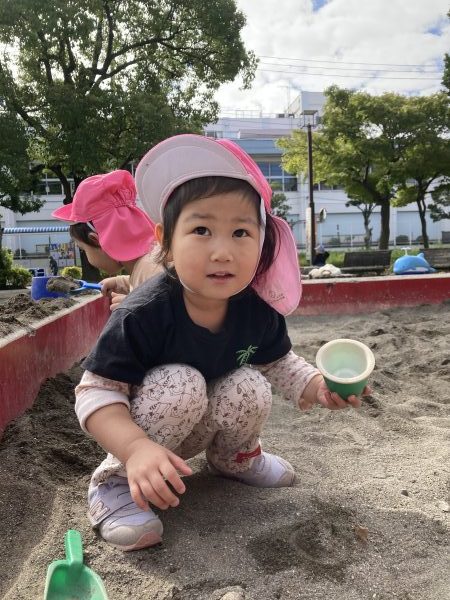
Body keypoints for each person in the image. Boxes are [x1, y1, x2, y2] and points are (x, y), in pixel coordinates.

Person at [75, 134, 369, 552]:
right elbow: (95, 392)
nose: (222, 252)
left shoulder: (256, 308)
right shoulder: (143, 314)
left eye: (240, 232)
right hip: (147, 429)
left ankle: (236, 459)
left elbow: (279, 362)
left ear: (261, 243)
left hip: (201, 424)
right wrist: (135, 448)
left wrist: (319, 386)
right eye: (201, 230)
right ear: (165, 243)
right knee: (182, 382)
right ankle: (115, 484)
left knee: (249, 384)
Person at [51, 170, 160, 310]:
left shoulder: (153, 270)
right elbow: (147, 285)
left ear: (95, 240)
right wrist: (122, 282)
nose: (85, 255)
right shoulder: (148, 265)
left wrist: (136, 309)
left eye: (83, 250)